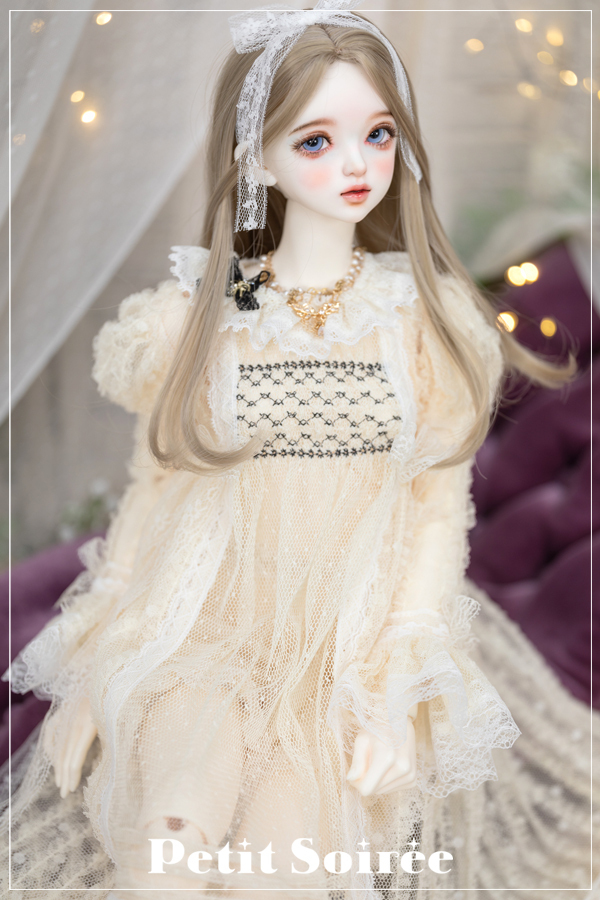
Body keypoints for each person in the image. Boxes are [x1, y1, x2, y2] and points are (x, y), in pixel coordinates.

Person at [2, 3, 596, 899]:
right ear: (257, 157)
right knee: (169, 838)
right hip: (204, 627)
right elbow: (159, 486)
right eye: (316, 141)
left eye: (378, 134)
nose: (357, 165)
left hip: (345, 646)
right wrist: (95, 654)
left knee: (282, 868)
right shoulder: (201, 314)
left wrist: (400, 678)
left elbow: (436, 510)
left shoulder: (422, 321)